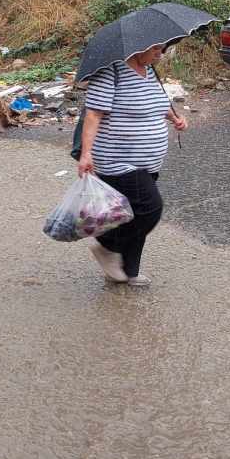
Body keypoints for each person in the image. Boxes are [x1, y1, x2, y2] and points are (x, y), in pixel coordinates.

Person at [77, 43, 188, 287]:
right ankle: (107, 245)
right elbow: (93, 114)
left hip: (148, 163)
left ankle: (129, 271)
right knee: (150, 208)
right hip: (118, 161)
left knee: (132, 215)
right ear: (138, 47)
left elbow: (157, 105)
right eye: (156, 49)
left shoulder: (150, 71)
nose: (160, 53)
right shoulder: (111, 72)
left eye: (164, 49)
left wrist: (175, 118)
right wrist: (86, 154)